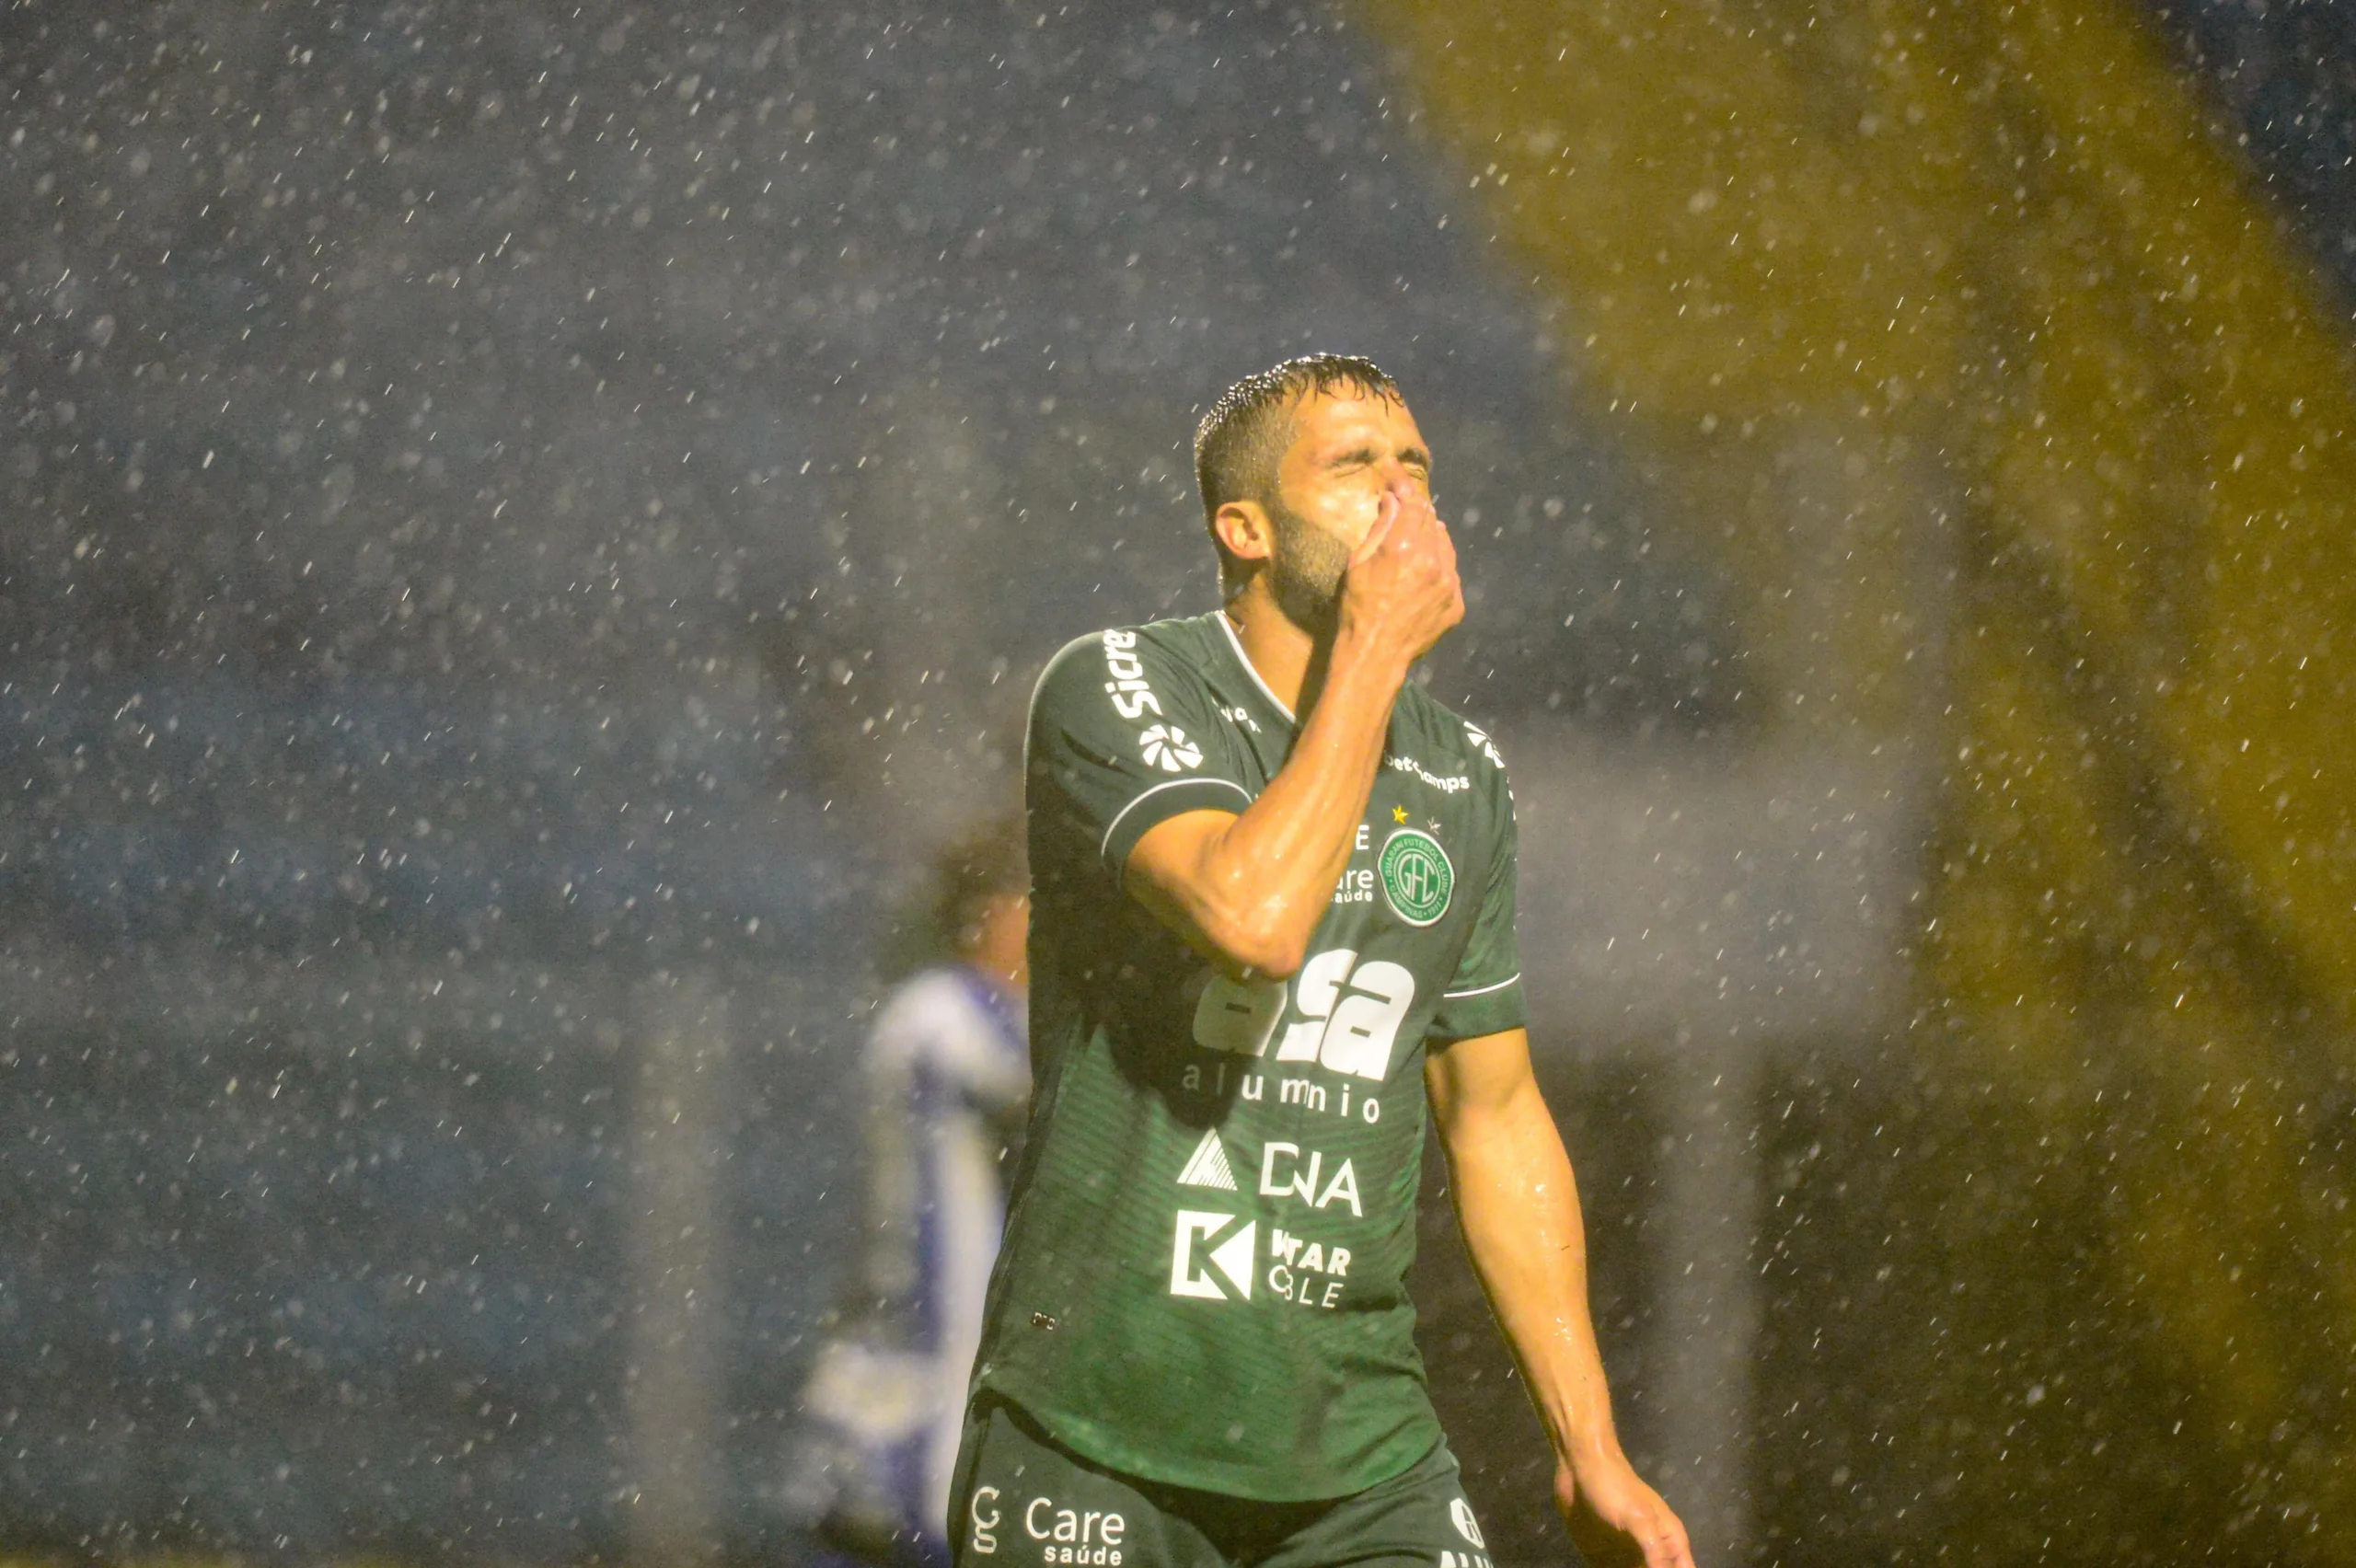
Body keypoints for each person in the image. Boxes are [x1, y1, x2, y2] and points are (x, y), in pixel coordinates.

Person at [949, 355, 1695, 1568]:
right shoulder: (1117, 684)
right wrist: (1370, 655)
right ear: (1243, 527)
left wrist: (1589, 1444)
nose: (1404, 502)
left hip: (1359, 1459)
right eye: (1356, 468)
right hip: (1098, 1429)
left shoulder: (1463, 774)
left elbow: (1496, 1115)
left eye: (1419, 472)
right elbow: (1253, 914)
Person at [790, 819, 1032, 1568]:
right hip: (922, 1352)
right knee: (914, 1524)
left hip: (934, 1349)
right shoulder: (941, 1014)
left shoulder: (957, 1013)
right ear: (994, 913)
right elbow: (1039, 1080)